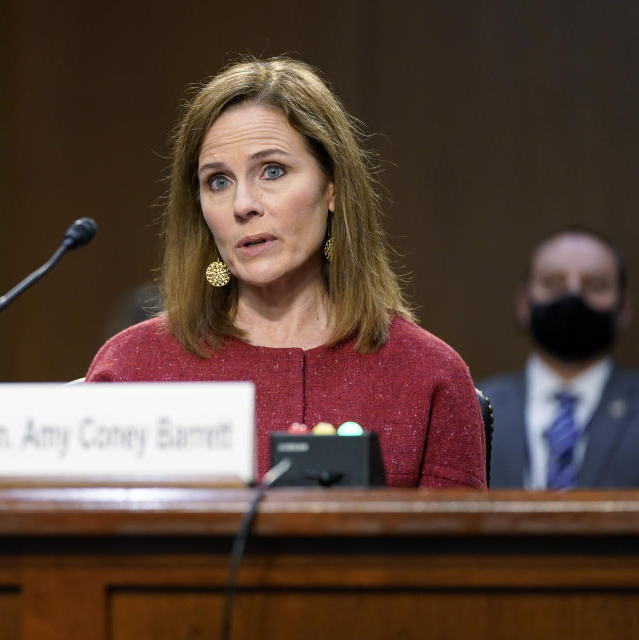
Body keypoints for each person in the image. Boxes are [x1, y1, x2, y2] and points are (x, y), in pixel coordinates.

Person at [86, 57, 486, 488]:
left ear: (332, 187)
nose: (243, 205)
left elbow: (454, 555)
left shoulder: (429, 375)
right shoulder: (131, 368)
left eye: (272, 171)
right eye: (217, 181)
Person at [480, 228, 639, 488]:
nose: (573, 296)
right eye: (553, 283)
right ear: (524, 303)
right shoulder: (473, 407)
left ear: (624, 308)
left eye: (596, 285)